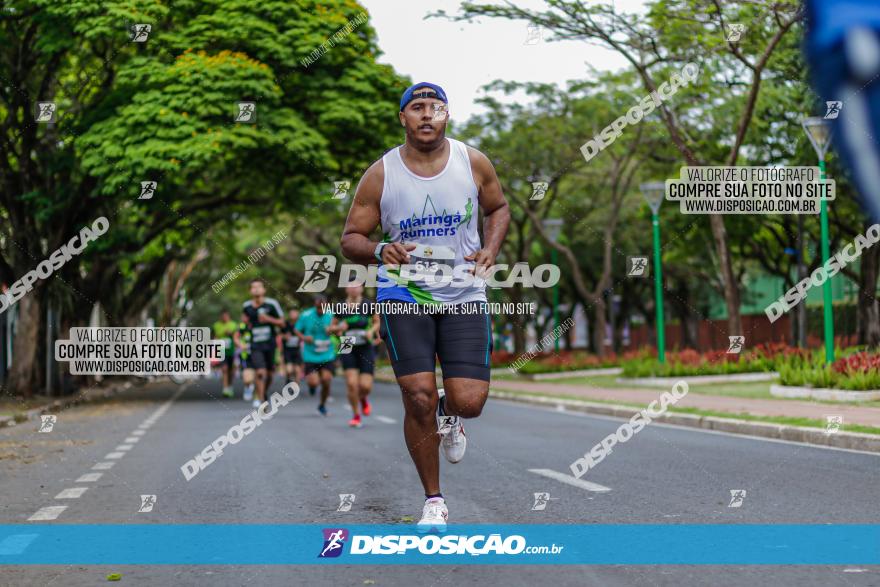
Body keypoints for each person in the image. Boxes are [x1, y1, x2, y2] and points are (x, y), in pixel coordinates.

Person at [340, 82, 510, 532]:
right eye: (417, 107)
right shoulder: (381, 174)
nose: (427, 114)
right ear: (403, 117)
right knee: (417, 396)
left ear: (447, 116)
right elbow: (350, 239)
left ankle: (453, 416)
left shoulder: (472, 161)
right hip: (404, 294)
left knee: (468, 401)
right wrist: (378, 251)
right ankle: (434, 500)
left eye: (436, 107)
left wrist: (491, 249)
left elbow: (499, 209)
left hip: (463, 292)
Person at [330, 284, 380, 428]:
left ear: (361, 289)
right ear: (346, 289)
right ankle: (356, 415)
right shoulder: (340, 306)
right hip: (347, 344)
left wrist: (371, 331)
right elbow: (330, 329)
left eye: (356, 286)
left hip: (365, 345)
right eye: (350, 286)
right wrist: (339, 327)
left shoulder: (368, 304)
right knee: (352, 384)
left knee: (365, 386)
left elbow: (377, 322)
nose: (353, 289)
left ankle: (363, 398)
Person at [240, 278, 285, 408]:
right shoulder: (246, 306)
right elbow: (244, 322)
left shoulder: (272, 304)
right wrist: (244, 325)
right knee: (260, 372)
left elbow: (282, 322)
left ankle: (263, 393)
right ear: (250, 291)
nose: (256, 289)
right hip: (255, 344)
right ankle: (262, 401)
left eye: (259, 287)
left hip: (270, 343)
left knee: (270, 374)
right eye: (253, 287)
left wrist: (268, 319)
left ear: (264, 290)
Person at [294, 294, 336, 416]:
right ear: (314, 305)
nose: (320, 310)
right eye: (318, 308)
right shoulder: (306, 315)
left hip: (327, 354)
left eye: (323, 307)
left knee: (326, 380)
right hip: (310, 354)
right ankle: (312, 386)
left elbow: (341, 328)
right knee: (313, 382)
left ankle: (322, 405)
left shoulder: (332, 315)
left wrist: (333, 329)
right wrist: (303, 337)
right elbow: (297, 329)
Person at [212, 310, 239, 397]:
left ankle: (230, 385)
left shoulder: (233, 324)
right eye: (223, 316)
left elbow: (237, 336)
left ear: (229, 316)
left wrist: (230, 334)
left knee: (231, 370)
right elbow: (215, 336)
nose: (224, 318)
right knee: (224, 369)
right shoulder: (216, 325)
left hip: (231, 350)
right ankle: (225, 388)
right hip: (221, 350)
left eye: (226, 316)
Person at [234, 315, 256, 401]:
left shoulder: (256, 325)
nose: (243, 318)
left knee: (257, 374)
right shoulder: (241, 327)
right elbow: (235, 338)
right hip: (245, 355)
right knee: (247, 377)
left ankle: (255, 390)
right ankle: (248, 388)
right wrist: (241, 345)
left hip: (257, 353)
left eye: (245, 316)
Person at [281, 309, 304, 385]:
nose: (293, 315)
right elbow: (279, 335)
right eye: (291, 313)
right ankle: (288, 379)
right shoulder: (285, 324)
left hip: (297, 350)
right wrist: (285, 337)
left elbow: (305, 335)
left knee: (297, 370)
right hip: (287, 350)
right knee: (289, 369)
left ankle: (296, 386)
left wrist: (301, 338)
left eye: (295, 313)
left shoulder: (301, 325)